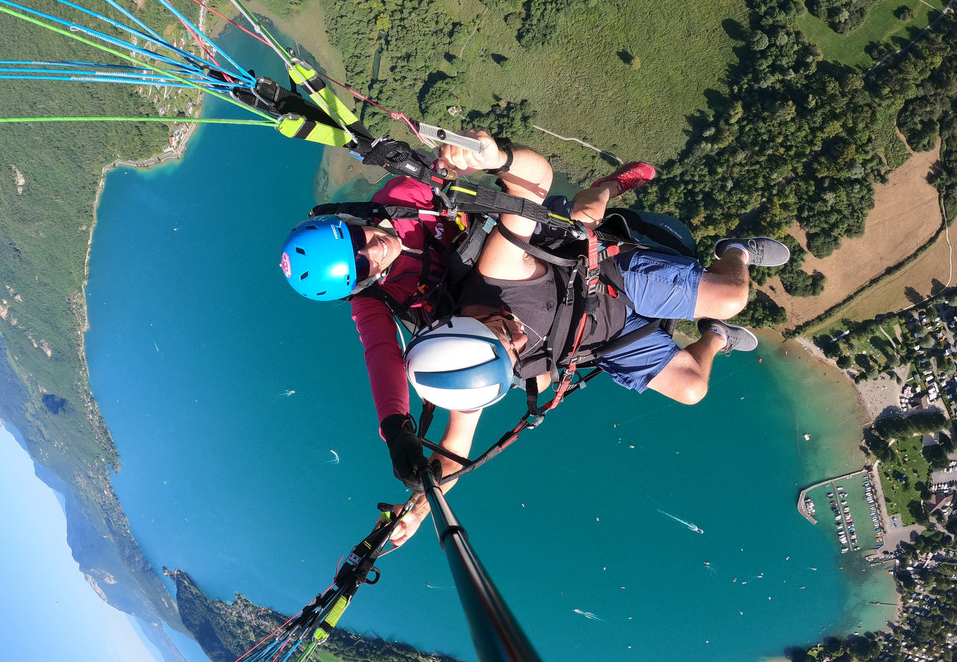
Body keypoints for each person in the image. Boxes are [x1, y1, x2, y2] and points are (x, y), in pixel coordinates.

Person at [388, 131, 789, 546]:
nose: (521, 344)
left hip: (610, 281)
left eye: (506, 336)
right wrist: (418, 510)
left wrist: (495, 158)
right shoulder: (474, 374)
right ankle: (716, 335)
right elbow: (455, 447)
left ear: (474, 321)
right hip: (603, 340)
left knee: (730, 297)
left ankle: (734, 251)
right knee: (692, 388)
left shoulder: (498, 276)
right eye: (512, 358)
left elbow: (534, 183)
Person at [279, 137, 656, 488]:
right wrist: (395, 430)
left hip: (501, 248)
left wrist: (469, 156)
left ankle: (609, 186)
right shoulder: (373, 299)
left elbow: (444, 173)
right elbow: (382, 355)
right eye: (361, 267)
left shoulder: (399, 199)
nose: (373, 250)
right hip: (472, 310)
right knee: (538, 379)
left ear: (348, 221)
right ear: (359, 283)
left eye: (355, 239)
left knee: (579, 219)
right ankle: (601, 333)